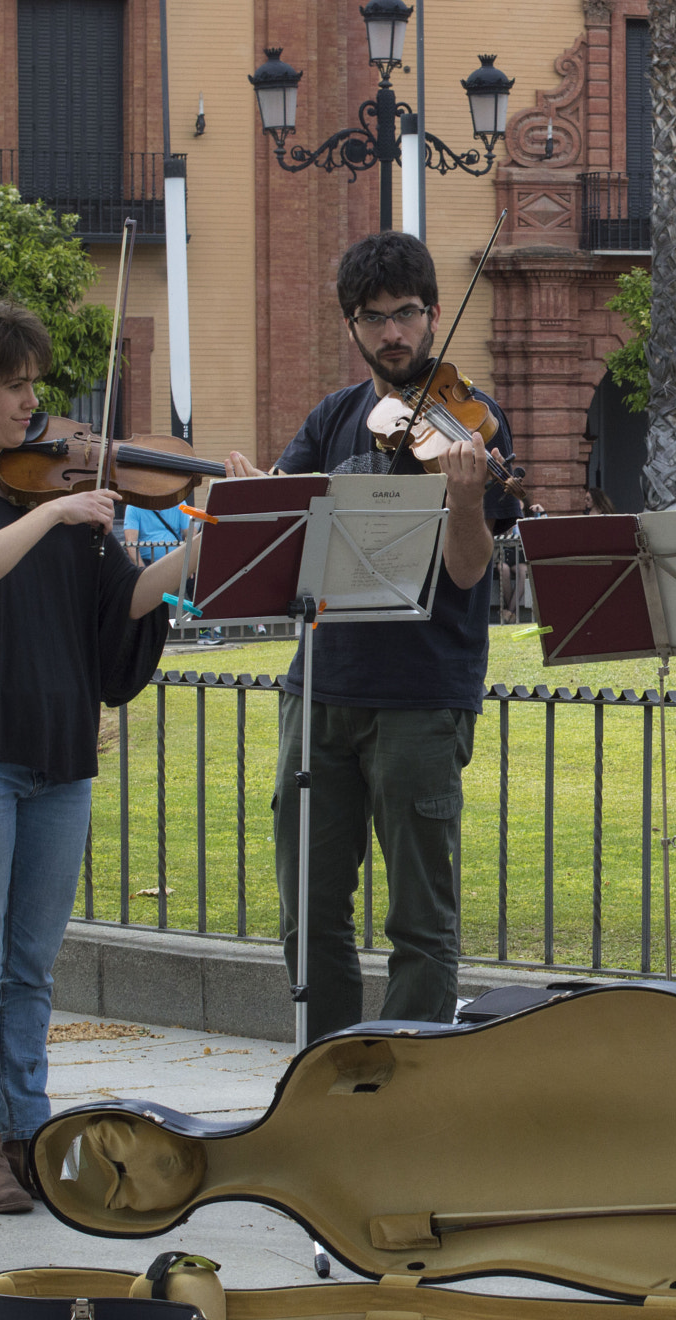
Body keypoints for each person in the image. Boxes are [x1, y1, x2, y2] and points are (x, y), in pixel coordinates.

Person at [0, 297, 205, 1213]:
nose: (35, 404)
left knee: (31, 962)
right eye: (14, 385)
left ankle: (30, 1133)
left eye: (37, 382)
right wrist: (58, 513)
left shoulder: (59, 496)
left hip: (57, 756)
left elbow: (128, 606)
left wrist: (200, 543)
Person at [224, 231, 517, 1039]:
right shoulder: (332, 419)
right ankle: (324, 1072)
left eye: (409, 315)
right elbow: (285, 532)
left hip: (421, 696)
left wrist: (463, 501)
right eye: (375, 318)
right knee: (310, 910)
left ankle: (406, 1084)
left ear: (430, 315)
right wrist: (259, 506)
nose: (394, 334)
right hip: (319, 689)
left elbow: (465, 576)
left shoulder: (474, 424)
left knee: (422, 919)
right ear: (352, 326)